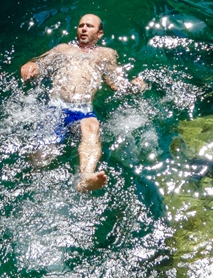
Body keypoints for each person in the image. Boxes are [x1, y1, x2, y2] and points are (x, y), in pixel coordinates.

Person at [20, 13, 145, 192]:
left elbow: (115, 84)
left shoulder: (106, 54)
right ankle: (33, 178)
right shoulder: (63, 49)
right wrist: (30, 67)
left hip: (83, 110)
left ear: (99, 33)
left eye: (89, 26)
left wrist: (134, 87)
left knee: (92, 126)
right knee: (40, 161)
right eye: (81, 25)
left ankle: (86, 178)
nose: (84, 29)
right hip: (56, 107)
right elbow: (40, 65)